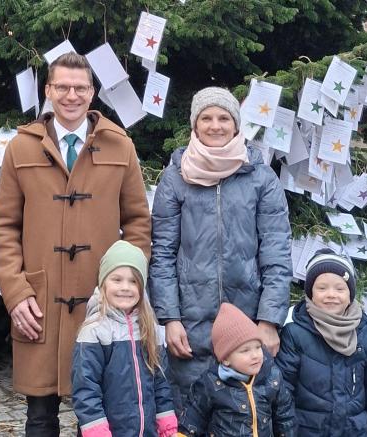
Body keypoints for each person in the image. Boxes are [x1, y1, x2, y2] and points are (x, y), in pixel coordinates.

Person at [0, 52, 152, 435]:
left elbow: (138, 223)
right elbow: (3, 228)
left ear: (93, 92)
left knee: (95, 415)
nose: (71, 95)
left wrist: (125, 286)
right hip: (39, 303)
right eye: (62, 86)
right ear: (48, 90)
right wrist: (15, 294)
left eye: (80, 87)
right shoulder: (21, 148)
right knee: (39, 417)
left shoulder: (119, 145)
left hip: (101, 305)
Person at [148, 86, 292, 411]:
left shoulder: (262, 178)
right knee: (189, 419)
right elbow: (163, 255)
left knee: (243, 418)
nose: (215, 125)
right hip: (191, 328)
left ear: (236, 125)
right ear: (194, 126)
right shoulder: (175, 179)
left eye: (224, 117)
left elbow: (277, 254)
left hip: (248, 326)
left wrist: (269, 321)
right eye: (206, 118)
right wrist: (169, 318)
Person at [275, 250, 367, 436]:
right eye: (322, 288)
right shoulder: (294, 335)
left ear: (350, 293)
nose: (331, 294)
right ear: (310, 292)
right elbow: (283, 393)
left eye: (340, 288)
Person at [71, 241, 177, 437]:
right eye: (117, 280)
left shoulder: (150, 329)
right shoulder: (94, 331)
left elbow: (161, 382)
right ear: (103, 282)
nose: (125, 287)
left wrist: (165, 420)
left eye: (133, 281)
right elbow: (86, 388)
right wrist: (96, 430)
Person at [179, 303, 295, 436]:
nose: (255, 355)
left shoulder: (272, 377)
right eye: (245, 351)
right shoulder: (210, 383)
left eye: (258, 347)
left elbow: (285, 416)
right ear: (226, 359)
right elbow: (193, 418)